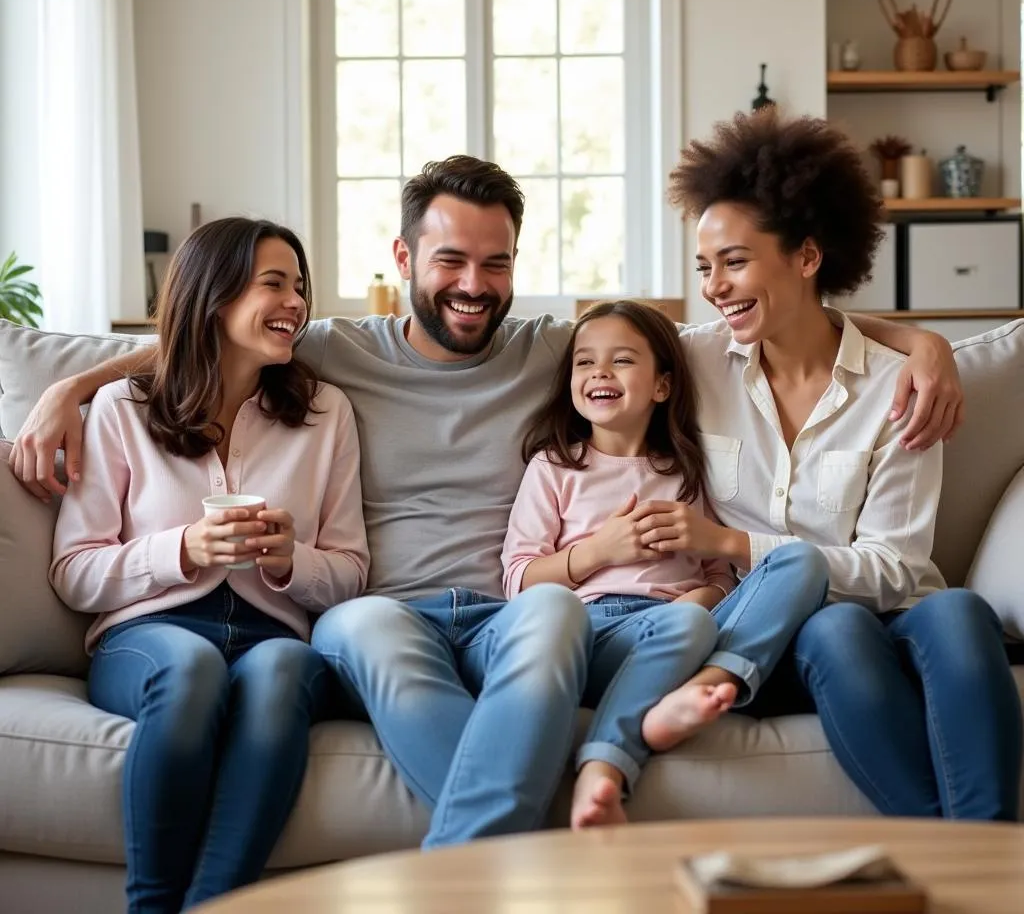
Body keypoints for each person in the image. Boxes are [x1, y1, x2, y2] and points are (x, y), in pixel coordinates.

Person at [15, 156, 965, 842]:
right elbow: (212, 329)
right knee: (376, 633)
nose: (475, 287)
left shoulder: (555, 351)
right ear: (403, 256)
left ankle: (482, 871)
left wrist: (925, 344)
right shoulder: (336, 351)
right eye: (451, 262)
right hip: (384, 608)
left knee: (552, 607)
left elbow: (740, 323)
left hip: (520, 612)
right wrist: (70, 386)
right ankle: (535, 849)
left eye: (497, 263)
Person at [661, 107, 1022, 820]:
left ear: (806, 255)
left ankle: (998, 858)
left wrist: (922, 347)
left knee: (959, 611)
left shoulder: (898, 386)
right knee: (837, 626)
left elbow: (894, 566)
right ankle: (949, 851)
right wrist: (924, 337)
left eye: (734, 262)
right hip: (779, 632)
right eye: (705, 267)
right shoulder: (693, 361)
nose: (714, 287)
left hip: (901, 612)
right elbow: (586, 343)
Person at [48, 217, 370, 912]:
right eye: (274, 284)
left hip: (272, 633)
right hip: (148, 634)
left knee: (286, 670)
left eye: (301, 287)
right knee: (189, 667)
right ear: (215, 296)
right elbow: (74, 572)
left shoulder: (324, 412)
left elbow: (350, 570)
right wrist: (182, 550)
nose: (296, 304)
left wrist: (292, 562)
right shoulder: (122, 408)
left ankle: (218, 903)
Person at [502, 299, 828, 829]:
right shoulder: (556, 467)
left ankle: (706, 682)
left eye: (622, 360)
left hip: (693, 627)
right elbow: (518, 580)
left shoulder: (687, 473)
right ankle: (611, 757)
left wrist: (707, 599)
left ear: (662, 386)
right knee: (683, 623)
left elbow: (720, 572)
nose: (600, 372)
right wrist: (601, 552)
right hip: (599, 632)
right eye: (584, 362)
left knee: (801, 562)